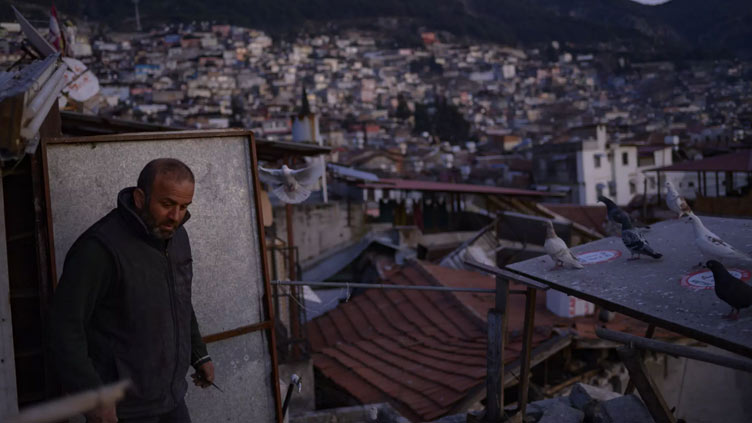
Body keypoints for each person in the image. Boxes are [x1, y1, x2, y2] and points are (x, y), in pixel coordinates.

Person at [49, 158, 214, 423]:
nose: (176, 217)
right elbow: (65, 327)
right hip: (125, 409)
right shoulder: (99, 249)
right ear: (140, 197)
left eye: (184, 207)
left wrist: (199, 354)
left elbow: (180, 299)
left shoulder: (177, 236)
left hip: (171, 398)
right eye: (167, 204)